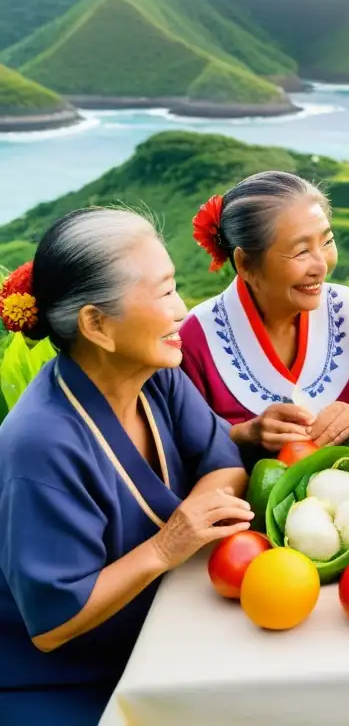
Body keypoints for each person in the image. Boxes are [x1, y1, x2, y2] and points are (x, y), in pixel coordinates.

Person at [0, 208, 252, 725]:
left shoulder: (154, 371)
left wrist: (185, 528)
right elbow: (53, 624)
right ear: (96, 324)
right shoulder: (40, 445)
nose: (183, 309)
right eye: (163, 294)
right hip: (67, 680)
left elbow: (224, 463)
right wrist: (167, 545)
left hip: (160, 635)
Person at [180, 171, 349, 459]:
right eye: (300, 252)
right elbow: (182, 443)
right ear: (246, 263)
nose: (321, 266)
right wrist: (245, 433)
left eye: (326, 242)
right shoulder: (199, 335)